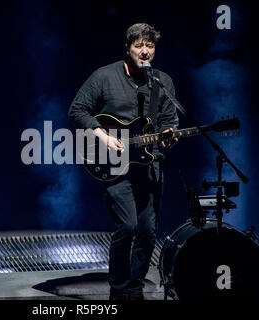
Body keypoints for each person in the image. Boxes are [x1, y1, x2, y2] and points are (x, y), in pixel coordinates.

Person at [68, 23, 179, 300]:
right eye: (139, 46)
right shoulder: (104, 76)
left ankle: (134, 288)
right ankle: (118, 290)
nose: (145, 51)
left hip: (149, 164)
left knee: (147, 231)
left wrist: (168, 135)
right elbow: (77, 109)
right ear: (128, 49)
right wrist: (102, 135)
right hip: (113, 163)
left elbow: (168, 121)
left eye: (150, 46)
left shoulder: (162, 81)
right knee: (127, 226)